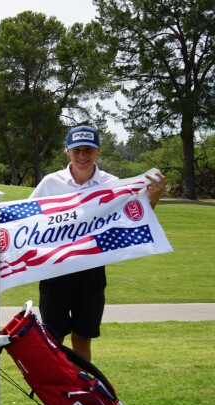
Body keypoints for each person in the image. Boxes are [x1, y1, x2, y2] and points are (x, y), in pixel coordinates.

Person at [30, 125, 166, 363]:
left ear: (98, 151)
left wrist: (153, 195)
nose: (82, 156)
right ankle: (58, 392)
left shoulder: (111, 183)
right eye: (77, 150)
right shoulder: (51, 183)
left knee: (83, 336)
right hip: (55, 269)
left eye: (88, 150)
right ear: (67, 152)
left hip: (92, 268)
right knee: (53, 338)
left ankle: (84, 390)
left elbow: (136, 215)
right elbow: (28, 218)